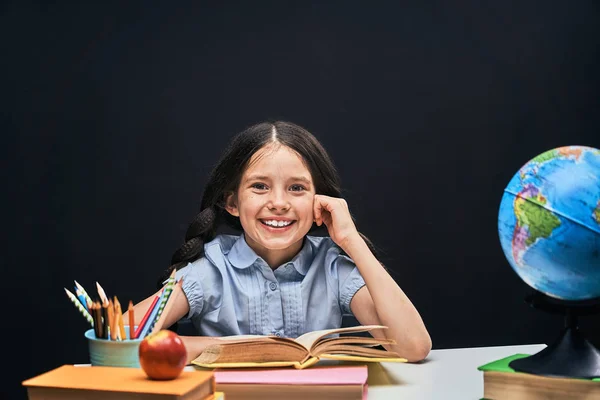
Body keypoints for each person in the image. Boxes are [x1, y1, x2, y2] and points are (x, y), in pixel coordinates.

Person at [125, 121, 431, 363]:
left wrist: (351, 240)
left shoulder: (333, 269)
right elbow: (120, 340)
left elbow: (414, 346)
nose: (279, 202)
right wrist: (235, 348)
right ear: (231, 202)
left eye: (297, 188)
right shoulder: (210, 271)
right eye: (260, 186)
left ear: (319, 202)